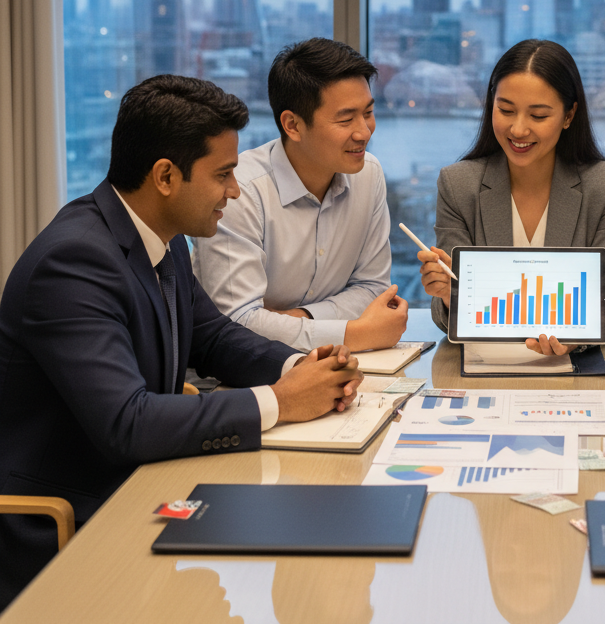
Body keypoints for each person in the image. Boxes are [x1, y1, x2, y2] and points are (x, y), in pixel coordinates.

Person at [0, 76, 363, 610]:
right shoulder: (74, 262)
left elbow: (211, 337)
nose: (235, 191)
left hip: (143, 488)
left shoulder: (161, 240)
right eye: (223, 174)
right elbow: (128, 423)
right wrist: (282, 403)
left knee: (317, 533)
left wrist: (302, 366)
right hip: (70, 524)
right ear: (166, 176)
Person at [193, 38, 407, 353]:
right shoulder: (241, 190)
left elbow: (374, 290)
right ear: (292, 125)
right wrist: (354, 333)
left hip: (336, 364)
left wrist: (297, 319)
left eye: (369, 112)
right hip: (238, 377)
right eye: (346, 119)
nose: (364, 131)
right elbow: (236, 323)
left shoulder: (368, 174)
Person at [419, 39, 605, 353]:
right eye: (505, 110)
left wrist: (575, 340)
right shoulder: (458, 185)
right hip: (483, 368)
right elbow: (443, 312)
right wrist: (451, 297)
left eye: (538, 116)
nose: (517, 129)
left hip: (566, 371)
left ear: (569, 115)